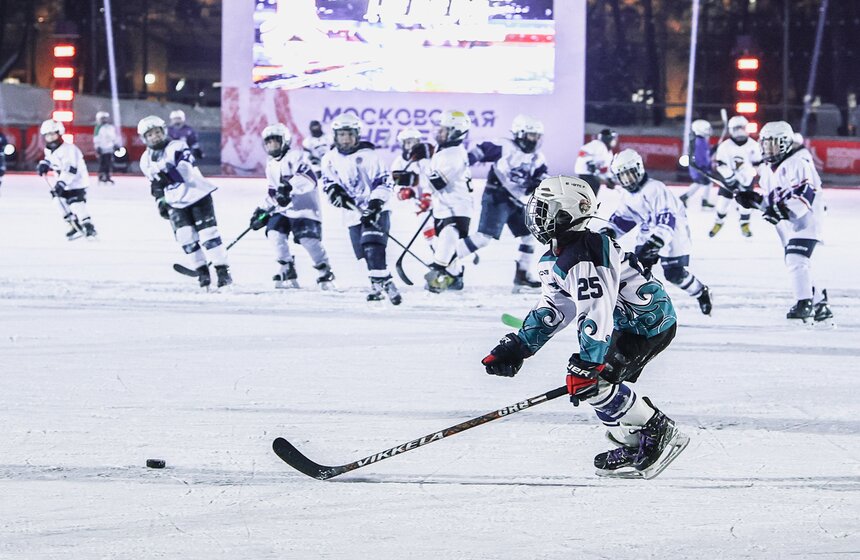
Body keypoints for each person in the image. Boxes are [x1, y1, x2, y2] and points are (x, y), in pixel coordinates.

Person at [481, 175, 689, 479]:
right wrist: (518, 347)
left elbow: (597, 307)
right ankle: (634, 441)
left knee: (595, 383)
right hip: (624, 326)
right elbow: (555, 307)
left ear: (565, 214)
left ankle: (657, 428)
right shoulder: (556, 255)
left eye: (543, 209)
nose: (535, 215)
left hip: (648, 325)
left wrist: (588, 362)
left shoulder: (586, 252)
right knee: (593, 384)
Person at [735, 121, 833, 325]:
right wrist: (754, 200)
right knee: (799, 262)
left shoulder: (798, 162)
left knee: (796, 259)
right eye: (765, 143)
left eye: (773, 143)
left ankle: (803, 303)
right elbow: (772, 202)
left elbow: (805, 194)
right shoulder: (769, 170)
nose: (768, 148)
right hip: (790, 224)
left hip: (807, 219)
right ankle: (819, 304)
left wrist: (782, 210)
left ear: (785, 143)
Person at [602, 149, 712, 315]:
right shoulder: (627, 195)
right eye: (622, 176)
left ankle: (700, 291)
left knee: (674, 274)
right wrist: (608, 232)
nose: (627, 180)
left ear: (638, 169)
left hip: (674, 234)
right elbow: (623, 219)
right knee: (636, 272)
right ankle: (640, 308)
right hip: (648, 233)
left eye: (629, 174)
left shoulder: (656, 188)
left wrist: (655, 243)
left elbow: (667, 219)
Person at [455, 114, 549, 293]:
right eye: (532, 135)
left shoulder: (538, 157)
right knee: (483, 238)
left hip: (516, 200)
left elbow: (542, 176)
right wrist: (462, 164)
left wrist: (537, 184)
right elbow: (479, 151)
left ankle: (522, 273)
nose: (535, 140)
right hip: (496, 197)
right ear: (520, 134)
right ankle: (446, 261)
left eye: (537, 136)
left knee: (530, 234)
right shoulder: (505, 146)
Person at [138, 115, 231, 289]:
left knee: (209, 235)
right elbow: (155, 185)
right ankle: (202, 272)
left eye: (157, 132)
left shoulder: (177, 146)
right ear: (144, 138)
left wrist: (163, 177)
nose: (155, 137)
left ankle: (222, 271)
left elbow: (185, 173)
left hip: (197, 195)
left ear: (164, 131)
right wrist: (160, 201)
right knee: (185, 237)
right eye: (150, 134)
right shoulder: (145, 160)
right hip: (175, 201)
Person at [319, 113, 402, 304]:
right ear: (335, 136)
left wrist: (374, 205)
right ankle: (386, 281)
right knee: (364, 254)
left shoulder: (370, 157)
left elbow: (383, 182)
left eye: (349, 135)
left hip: (376, 209)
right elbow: (328, 183)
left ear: (357, 135)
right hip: (352, 213)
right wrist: (335, 193)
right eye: (341, 135)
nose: (345, 139)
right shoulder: (329, 159)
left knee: (372, 245)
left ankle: (377, 287)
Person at [253, 122, 335, 289]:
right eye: (268, 142)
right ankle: (286, 267)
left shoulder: (297, 156)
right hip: (283, 210)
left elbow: (310, 179)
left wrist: (289, 187)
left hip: (304, 209)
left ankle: (324, 269)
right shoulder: (271, 164)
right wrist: (262, 210)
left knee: (308, 240)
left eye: (275, 141)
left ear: (285, 141)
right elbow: (272, 192)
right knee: (274, 233)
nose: (271, 145)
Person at [415, 110, 474, 293]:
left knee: (449, 237)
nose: (438, 133)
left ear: (456, 132)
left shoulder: (454, 155)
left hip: (456, 207)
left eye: (444, 130)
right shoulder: (445, 151)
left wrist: (421, 164)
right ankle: (455, 276)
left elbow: (437, 182)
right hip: (444, 206)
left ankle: (438, 272)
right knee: (444, 242)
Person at [36, 119, 98, 239]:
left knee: (76, 204)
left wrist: (61, 184)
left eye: (53, 134)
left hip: (76, 182)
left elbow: (70, 170)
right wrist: (44, 164)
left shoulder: (69, 149)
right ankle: (73, 224)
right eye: (48, 135)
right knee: (58, 201)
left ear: (59, 134)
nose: (50, 138)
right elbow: (50, 159)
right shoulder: (49, 149)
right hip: (63, 183)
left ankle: (88, 226)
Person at [709, 115, 761, 238]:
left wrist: (749, 176)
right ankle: (718, 223)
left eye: (741, 128)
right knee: (722, 204)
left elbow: (758, 164)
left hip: (746, 180)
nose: (739, 131)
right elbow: (720, 164)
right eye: (736, 128)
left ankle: (745, 225)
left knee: (746, 205)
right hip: (728, 181)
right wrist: (730, 177)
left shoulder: (753, 145)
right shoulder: (725, 146)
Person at [392, 127, 435, 246]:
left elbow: (431, 180)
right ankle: (437, 252)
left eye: (415, 142)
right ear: (403, 144)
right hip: (417, 203)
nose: (412, 145)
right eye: (409, 142)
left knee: (443, 229)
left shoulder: (427, 160)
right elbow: (394, 183)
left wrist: (428, 196)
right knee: (427, 228)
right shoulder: (399, 162)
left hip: (435, 200)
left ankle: (449, 255)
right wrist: (402, 192)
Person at [680, 119, 715, 209]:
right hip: (698, 168)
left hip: (702, 167)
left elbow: (706, 154)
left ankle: (686, 197)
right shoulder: (698, 142)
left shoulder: (703, 140)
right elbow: (699, 157)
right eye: (707, 129)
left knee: (703, 183)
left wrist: (713, 150)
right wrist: (702, 167)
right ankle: (702, 200)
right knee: (704, 182)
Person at [574, 128, 617, 195]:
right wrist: (589, 163)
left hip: (593, 176)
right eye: (613, 139)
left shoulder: (609, 153)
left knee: (594, 188)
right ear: (608, 139)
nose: (614, 141)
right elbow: (583, 151)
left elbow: (605, 169)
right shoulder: (597, 144)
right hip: (585, 173)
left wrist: (608, 179)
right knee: (591, 188)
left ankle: (590, 204)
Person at [93, 111, 119, 185]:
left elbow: (113, 136)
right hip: (102, 148)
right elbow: (96, 138)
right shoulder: (98, 128)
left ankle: (107, 176)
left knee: (109, 163)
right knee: (102, 163)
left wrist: (115, 144)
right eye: (102, 119)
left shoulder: (110, 127)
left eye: (105, 118)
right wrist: (97, 147)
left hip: (109, 148)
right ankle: (101, 176)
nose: (104, 120)